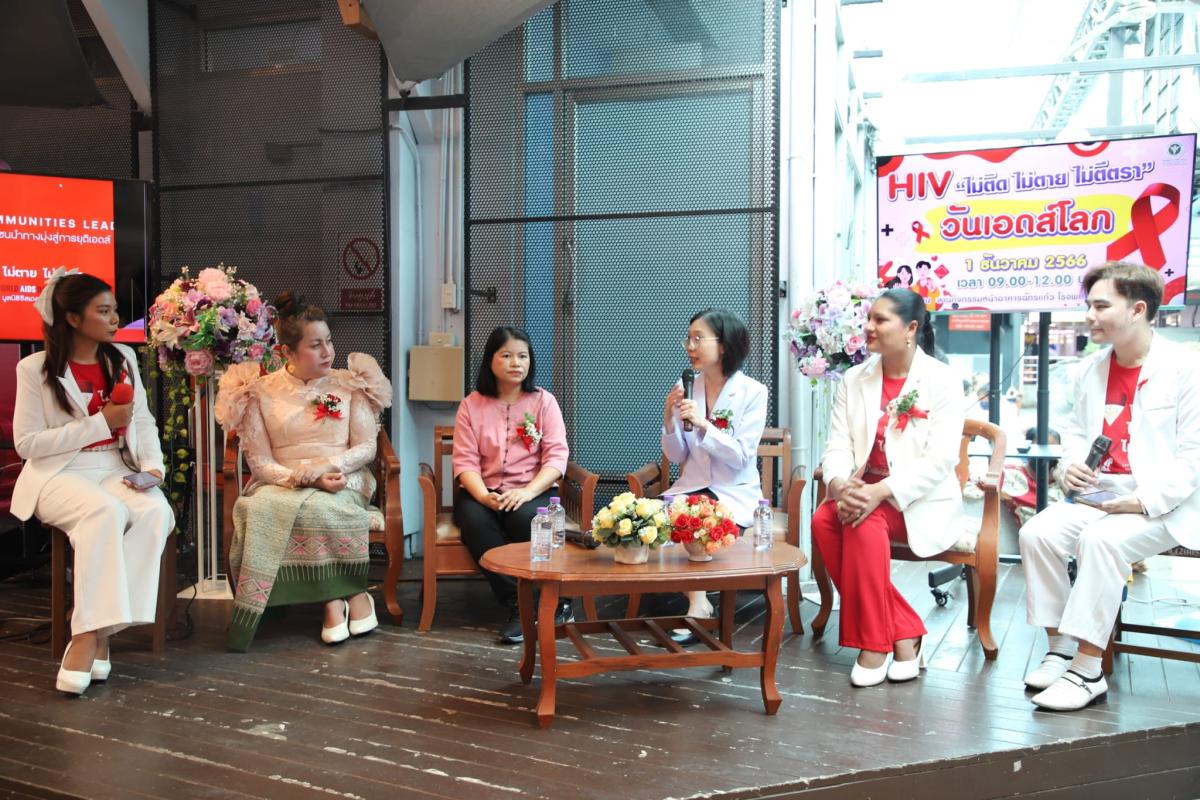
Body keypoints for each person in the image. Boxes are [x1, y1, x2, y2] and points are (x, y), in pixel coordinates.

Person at [1018, 262, 1200, 711]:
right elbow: (1076, 433)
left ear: (1138, 310)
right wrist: (1070, 467)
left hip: (1164, 502)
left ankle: (1087, 669)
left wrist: (1142, 500)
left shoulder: (1186, 368)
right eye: (1089, 306)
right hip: (1101, 495)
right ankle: (1060, 648)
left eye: (1101, 306)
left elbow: (1193, 455)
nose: (1089, 316)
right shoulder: (1090, 369)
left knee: (1100, 541)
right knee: (1036, 534)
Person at [12, 270, 174, 695]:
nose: (115, 319)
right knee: (105, 512)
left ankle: (98, 629)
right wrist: (100, 423)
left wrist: (153, 467)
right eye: (103, 311)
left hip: (115, 467)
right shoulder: (34, 369)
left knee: (155, 512)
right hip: (59, 472)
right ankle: (87, 637)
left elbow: (142, 420)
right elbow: (28, 444)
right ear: (72, 318)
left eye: (114, 310)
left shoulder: (123, 358)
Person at [214, 293, 391, 651]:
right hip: (281, 481)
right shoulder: (259, 392)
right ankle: (341, 598)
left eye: (329, 341)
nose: (327, 352)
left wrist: (326, 468)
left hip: (343, 476)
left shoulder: (350, 384)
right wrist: (302, 478)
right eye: (315, 345)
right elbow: (260, 462)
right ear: (287, 353)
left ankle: (338, 600)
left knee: (323, 505)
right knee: (265, 507)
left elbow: (366, 448)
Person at [811, 288, 967, 687]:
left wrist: (880, 492)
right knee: (824, 520)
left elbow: (941, 460)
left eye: (880, 320)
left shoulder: (943, 380)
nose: (869, 327)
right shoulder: (854, 378)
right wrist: (839, 484)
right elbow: (838, 445)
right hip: (863, 490)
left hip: (920, 500)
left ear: (911, 328)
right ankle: (904, 631)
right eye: (869, 318)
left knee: (863, 521)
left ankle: (873, 645)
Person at [453, 326, 570, 644]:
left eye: (523, 356)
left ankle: (547, 600)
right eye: (506, 355)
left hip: (533, 490)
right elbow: (465, 461)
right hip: (483, 492)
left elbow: (557, 457)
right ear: (490, 360)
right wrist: (483, 496)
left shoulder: (544, 402)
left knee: (527, 518)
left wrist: (527, 492)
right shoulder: (471, 405)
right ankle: (521, 605)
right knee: (475, 521)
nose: (516, 363)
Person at [662, 309, 767, 643]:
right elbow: (678, 455)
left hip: (732, 492)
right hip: (691, 488)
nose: (690, 346)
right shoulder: (685, 387)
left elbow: (741, 457)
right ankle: (700, 601)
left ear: (723, 345)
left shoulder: (753, 392)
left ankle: (698, 605)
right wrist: (668, 419)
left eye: (698, 338)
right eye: (688, 339)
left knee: (696, 517)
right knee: (657, 518)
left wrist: (704, 425)